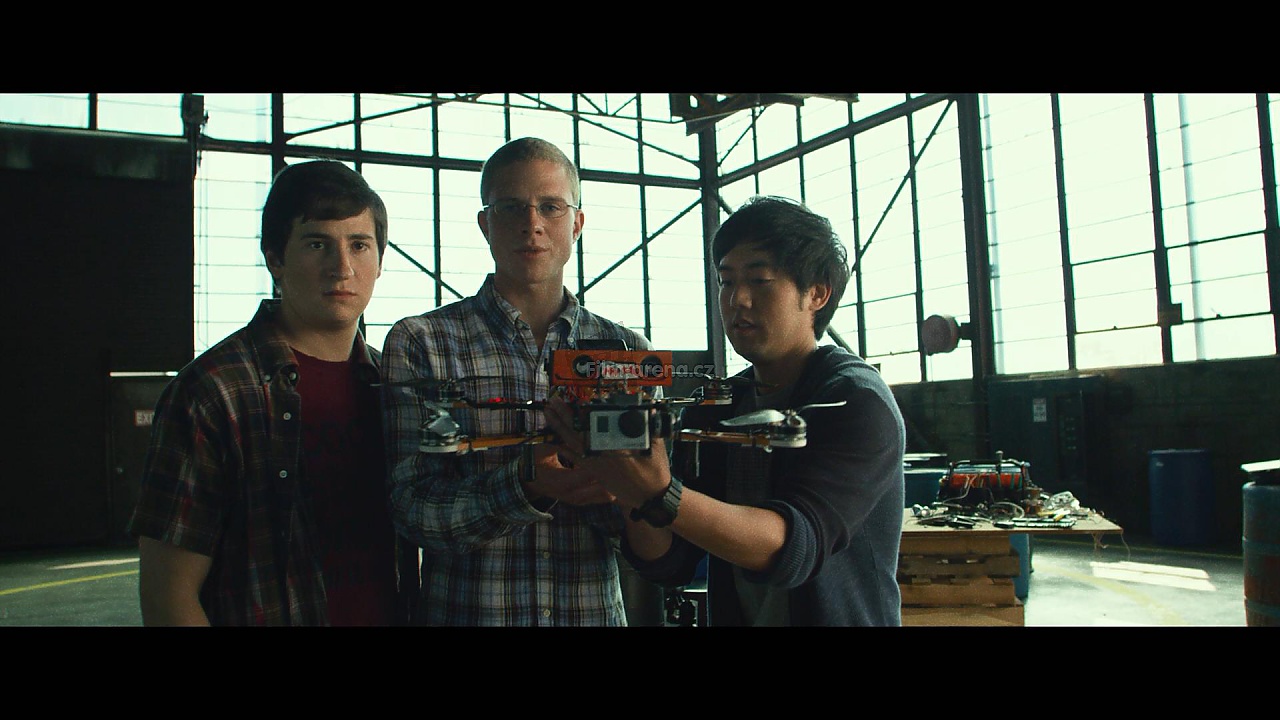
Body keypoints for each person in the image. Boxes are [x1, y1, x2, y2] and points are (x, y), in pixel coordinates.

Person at [544, 195, 906, 626]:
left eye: (760, 280)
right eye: (726, 281)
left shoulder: (853, 400)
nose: (738, 299)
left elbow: (793, 549)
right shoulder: (718, 406)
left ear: (817, 293)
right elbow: (671, 562)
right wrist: (625, 482)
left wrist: (658, 493)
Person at [381, 137, 652, 626]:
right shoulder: (422, 342)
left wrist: (625, 490)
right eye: (511, 207)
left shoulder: (628, 351)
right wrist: (525, 486)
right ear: (485, 224)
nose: (532, 224)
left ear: (577, 223)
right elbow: (411, 509)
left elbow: (651, 521)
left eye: (551, 207)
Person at [128, 159, 405, 626]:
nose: (342, 268)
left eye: (359, 245)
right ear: (275, 258)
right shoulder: (212, 392)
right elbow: (168, 596)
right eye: (317, 244)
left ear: (379, 261)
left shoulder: (392, 386)